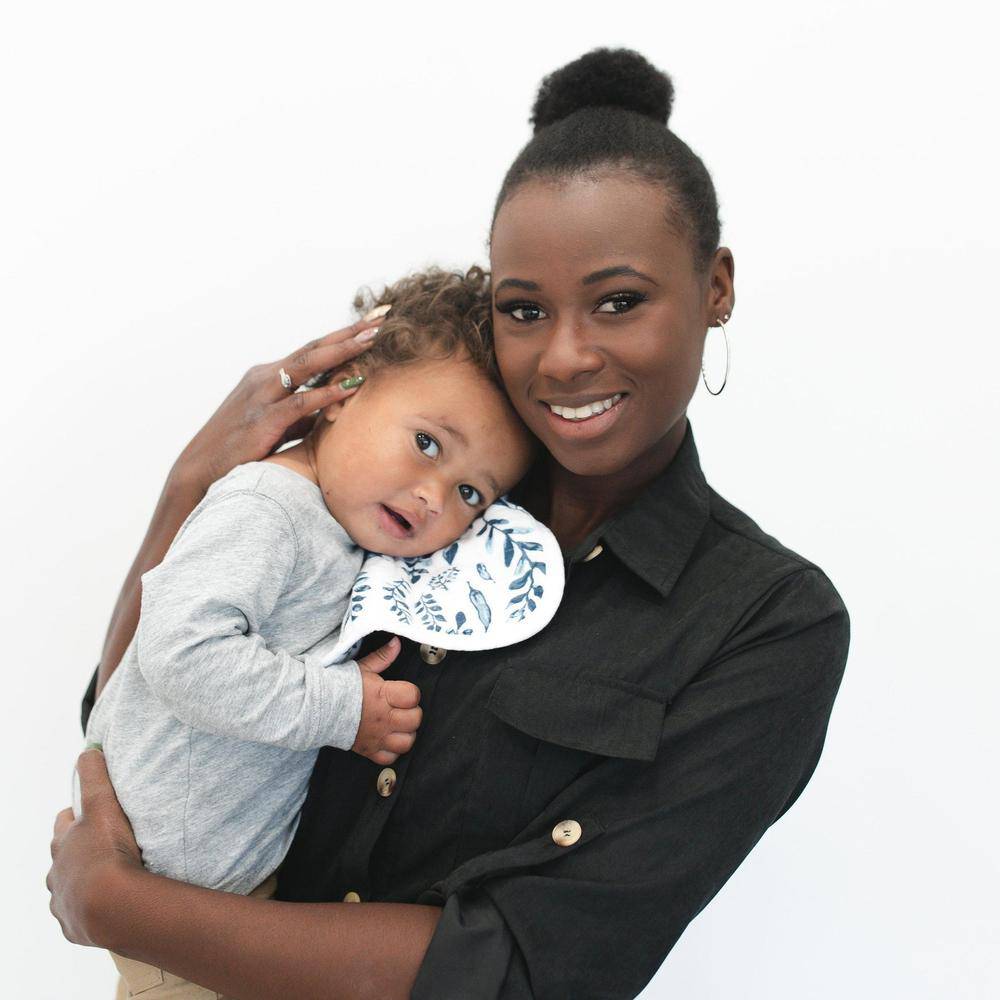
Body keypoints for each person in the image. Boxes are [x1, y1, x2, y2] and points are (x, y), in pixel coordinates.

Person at [48, 48, 851, 1000]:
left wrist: (117, 908)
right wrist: (190, 489)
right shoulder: (405, 481)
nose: (564, 358)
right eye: (523, 309)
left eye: (620, 301)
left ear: (715, 286)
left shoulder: (767, 624)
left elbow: (515, 967)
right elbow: (138, 711)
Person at [81, 267, 541, 997]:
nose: (433, 497)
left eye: (469, 492)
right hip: (174, 897)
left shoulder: (341, 526)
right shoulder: (269, 508)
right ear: (345, 390)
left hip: (220, 891)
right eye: (427, 443)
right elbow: (183, 653)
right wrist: (343, 708)